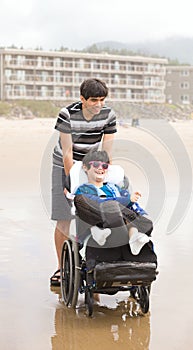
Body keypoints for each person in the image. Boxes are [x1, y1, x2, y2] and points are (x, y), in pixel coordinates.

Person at [50, 78, 117, 286]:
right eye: (94, 100)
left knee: (92, 212)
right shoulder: (67, 114)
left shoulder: (109, 115)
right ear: (82, 99)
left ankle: (93, 263)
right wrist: (74, 186)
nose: (99, 105)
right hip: (64, 165)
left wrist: (103, 179)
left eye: (102, 100)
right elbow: (68, 153)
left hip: (92, 163)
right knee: (64, 217)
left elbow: (106, 152)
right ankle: (62, 269)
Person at [73, 150, 152, 257]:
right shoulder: (83, 190)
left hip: (120, 223)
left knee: (144, 222)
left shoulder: (115, 188)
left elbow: (132, 206)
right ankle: (97, 231)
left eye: (104, 166)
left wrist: (141, 215)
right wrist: (126, 200)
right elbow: (99, 202)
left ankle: (134, 237)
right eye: (96, 164)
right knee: (102, 204)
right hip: (98, 219)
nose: (100, 168)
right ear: (85, 167)